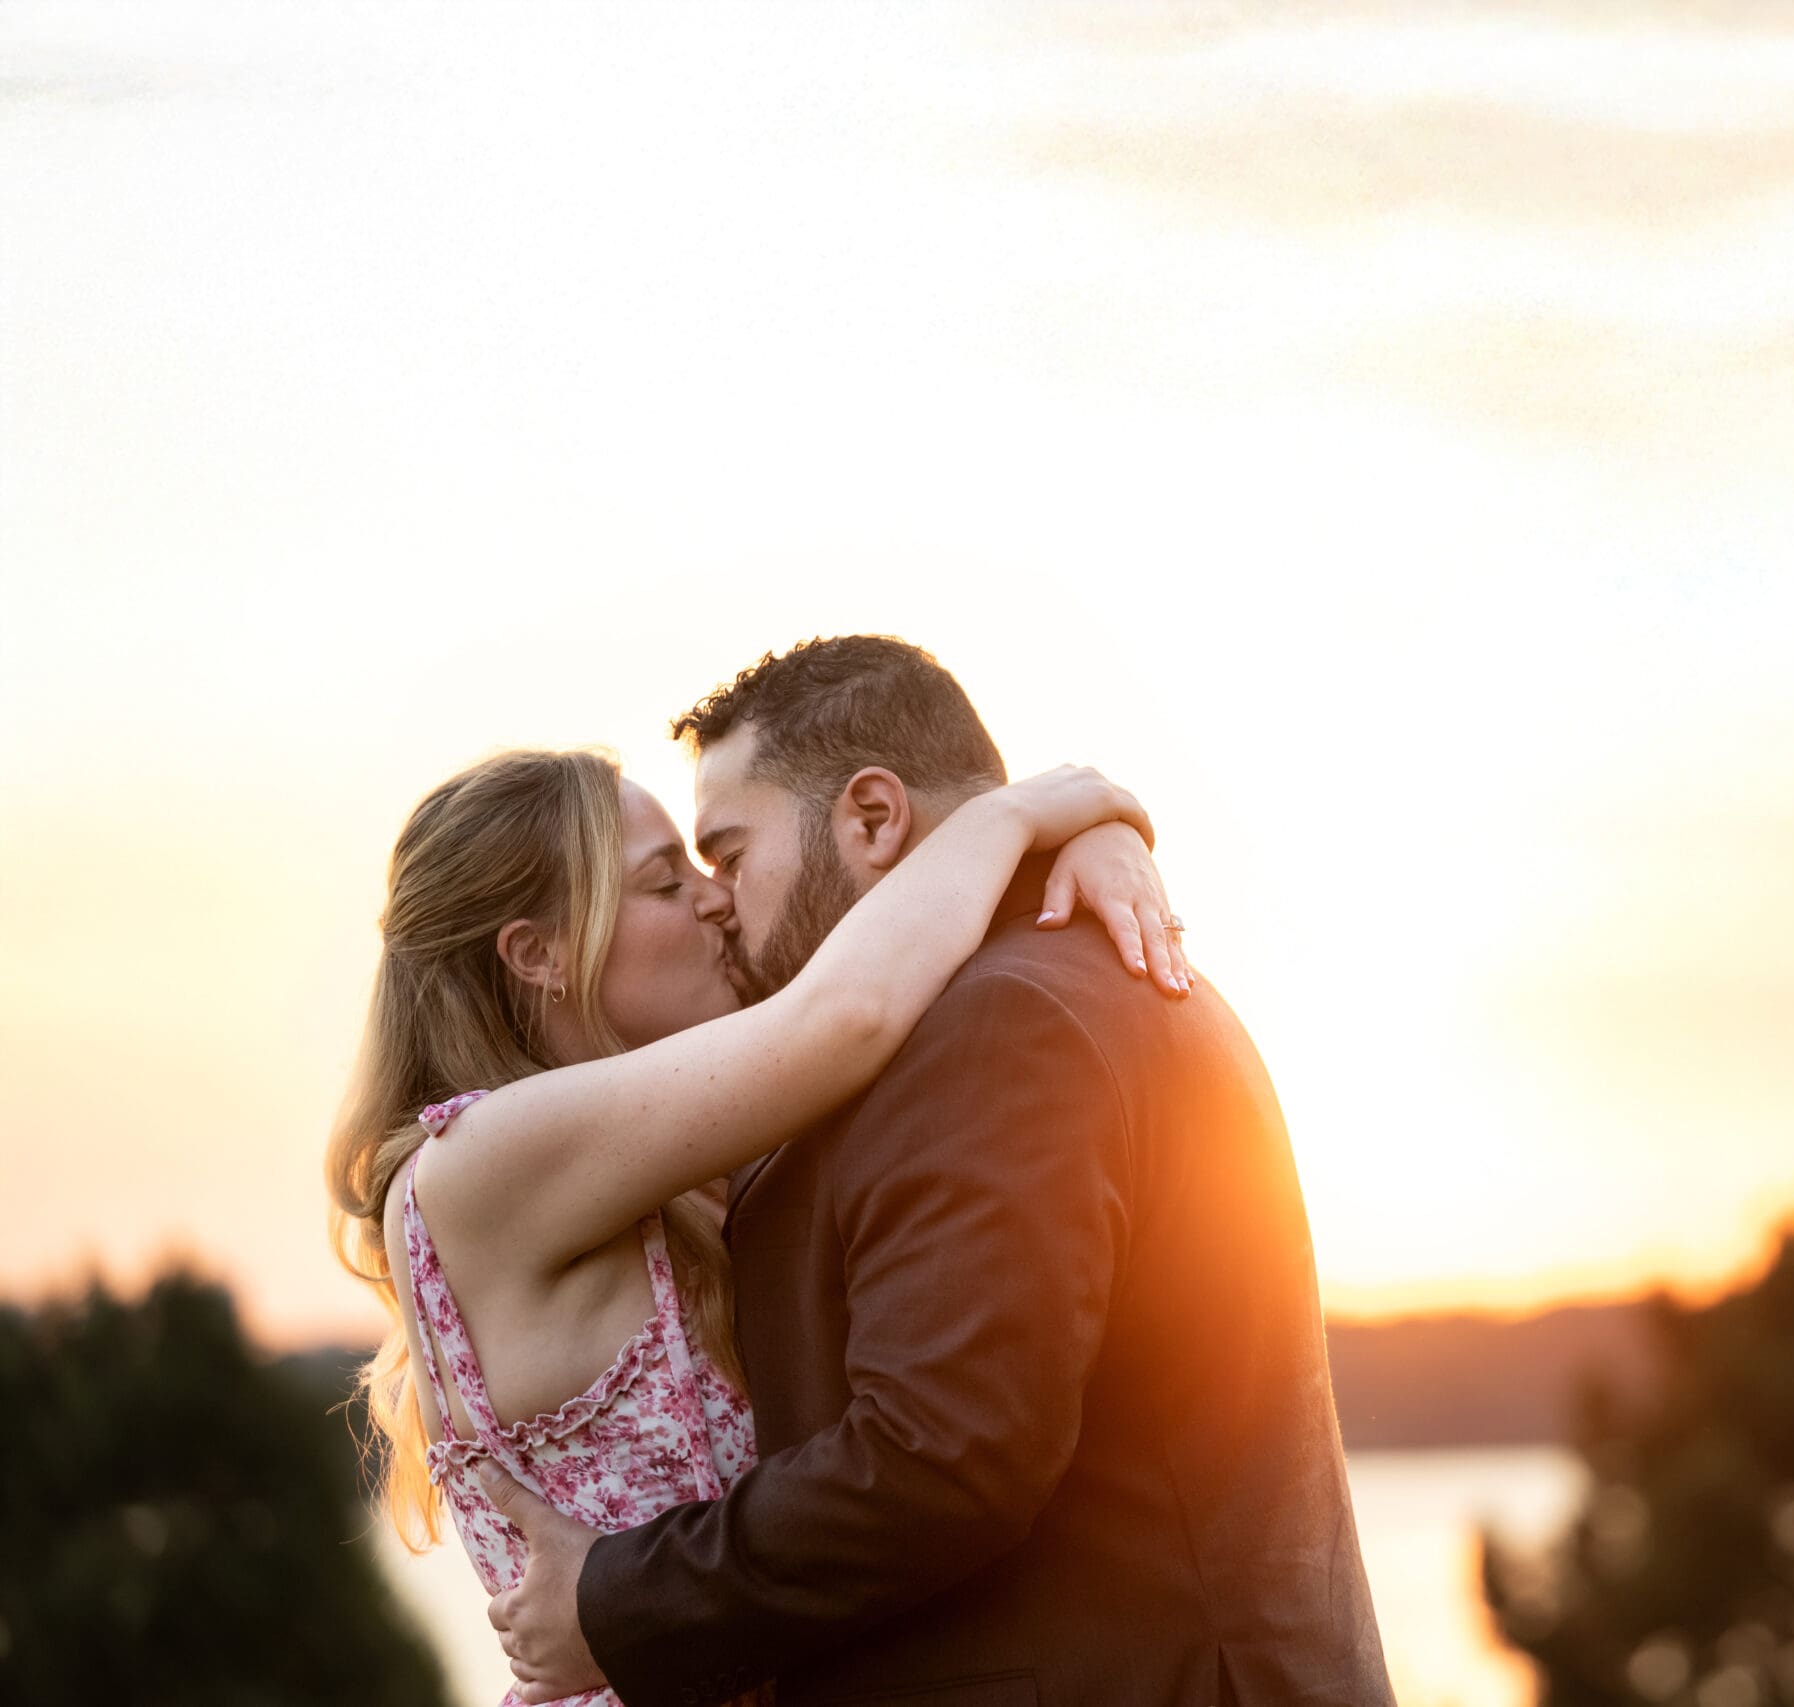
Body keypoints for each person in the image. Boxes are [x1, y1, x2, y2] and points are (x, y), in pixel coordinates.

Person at [484, 636, 1393, 1707]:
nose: (718, 901)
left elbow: (940, 1454)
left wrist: (617, 1602)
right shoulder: (1044, 990)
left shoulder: (998, 1025)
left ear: (872, 818)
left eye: (729, 855)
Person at [327, 726, 1186, 1707]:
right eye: (662, 884)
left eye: (708, 864)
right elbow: (846, 1011)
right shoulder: (476, 1164)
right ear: (539, 954)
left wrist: (1089, 848)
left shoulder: (665, 1172)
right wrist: (1027, 812)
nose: (713, 895)